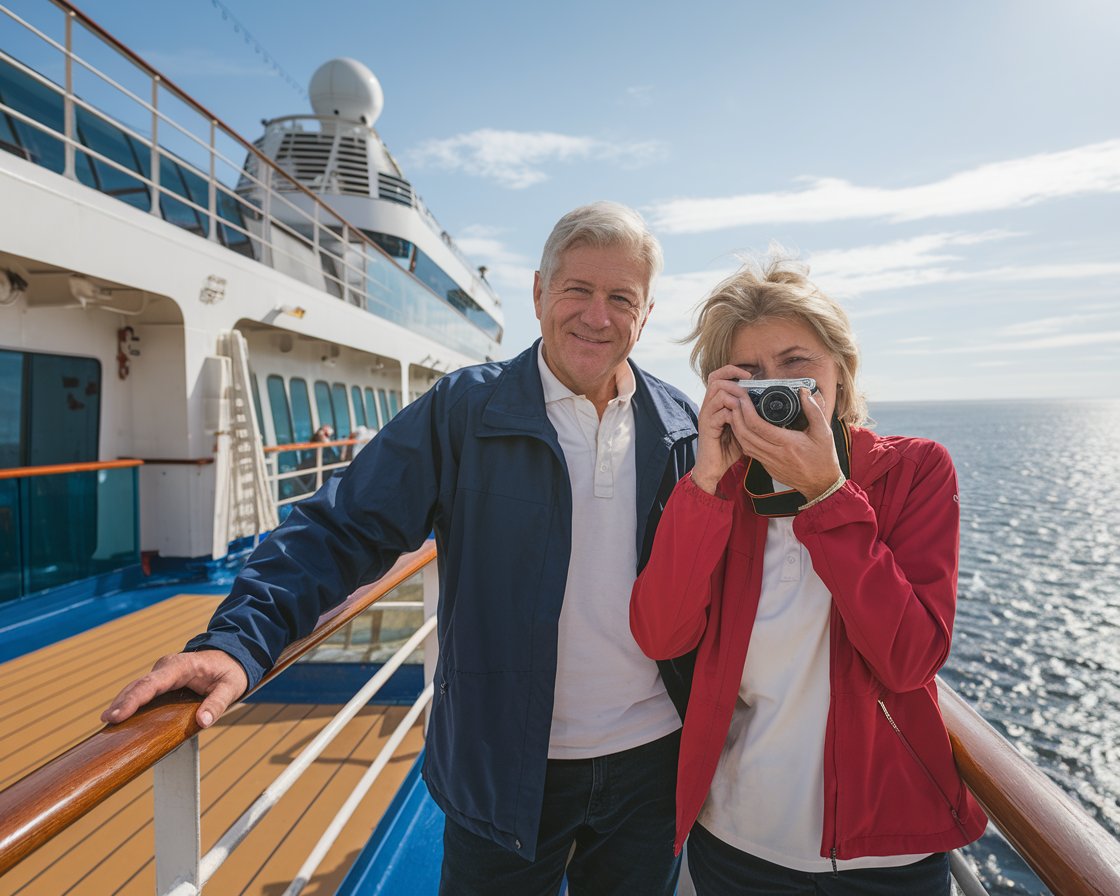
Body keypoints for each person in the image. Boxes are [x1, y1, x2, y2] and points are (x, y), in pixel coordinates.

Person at [103, 201, 698, 895]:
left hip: (651, 763)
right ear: (539, 293)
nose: (598, 316)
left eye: (621, 298)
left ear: (646, 313)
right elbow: (343, 527)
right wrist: (239, 640)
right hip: (500, 766)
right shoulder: (465, 413)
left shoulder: (678, 429)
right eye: (578, 290)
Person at [629, 256, 987, 895]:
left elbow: (909, 659)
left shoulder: (914, 471)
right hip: (738, 842)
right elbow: (661, 635)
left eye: (798, 367)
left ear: (840, 373)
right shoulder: (721, 491)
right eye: (754, 375)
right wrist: (705, 481)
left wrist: (828, 495)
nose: (780, 389)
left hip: (887, 855)